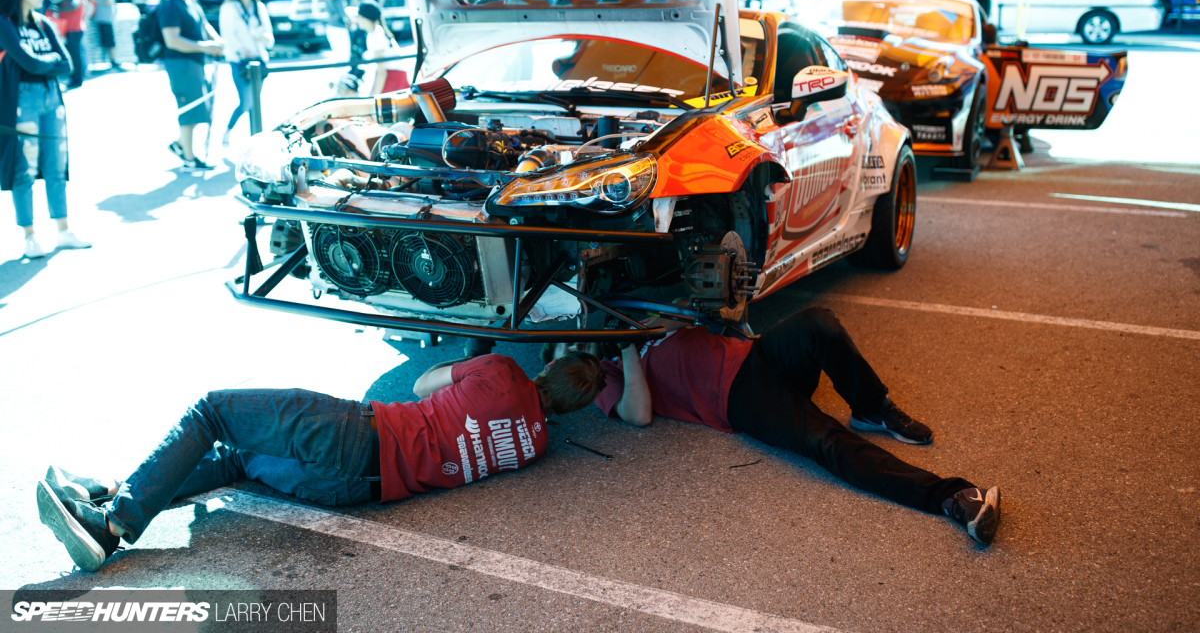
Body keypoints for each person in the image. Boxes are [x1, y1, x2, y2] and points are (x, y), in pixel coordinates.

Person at [35, 350, 606, 572]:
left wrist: (465, 374)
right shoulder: (536, 444)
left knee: (213, 412)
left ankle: (113, 523)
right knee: (239, 458)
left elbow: (422, 381)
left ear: (550, 367)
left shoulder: (504, 371)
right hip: (358, 490)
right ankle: (111, 495)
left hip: (359, 438)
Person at [573, 307, 1002, 545]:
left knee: (818, 324)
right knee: (826, 440)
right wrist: (626, 347)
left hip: (757, 354)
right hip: (737, 398)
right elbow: (639, 414)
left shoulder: (653, 323)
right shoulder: (607, 375)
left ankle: (871, 408)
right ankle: (951, 498)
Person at [0, 0, 92, 258]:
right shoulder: (4, 23)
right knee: (23, 167)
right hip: (21, 101)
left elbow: (68, 65)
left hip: (52, 99)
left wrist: (46, 60)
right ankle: (29, 235)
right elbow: (29, 63)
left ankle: (63, 230)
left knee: (57, 164)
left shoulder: (43, 22)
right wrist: (48, 60)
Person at [158, 0, 223, 171]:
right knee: (189, 110)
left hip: (195, 62)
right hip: (180, 64)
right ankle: (188, 158)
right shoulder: (169, 5)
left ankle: (180, 146)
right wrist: (206, 47)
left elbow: (204, 25)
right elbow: (172, 40)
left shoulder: (191, 0)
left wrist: (216, 40)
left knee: (198, 109)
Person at [218, 0, 274, 149]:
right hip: (240, 61)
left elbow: (270, 38)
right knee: (246, 102)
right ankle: (228, 130)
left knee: (255, 104)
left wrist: (260, 37)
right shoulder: (229, 8)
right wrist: (243, 50)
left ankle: (255, 139)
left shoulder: (258, 8)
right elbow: (227, 35)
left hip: (259, 62)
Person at [355, 0, 408, 95]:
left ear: (366, 18)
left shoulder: (376, 36)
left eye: (359, 17)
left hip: (393, 77)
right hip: (394, 75)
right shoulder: (376, 32)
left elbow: (382, 72)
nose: (357, 20)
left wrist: (375, 95)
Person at [50, 0, 88, 89]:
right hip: (68, 29)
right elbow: (56, 1)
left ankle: (77, 80)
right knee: (72, 54)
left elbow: (73, 6)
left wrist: (58, 9)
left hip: (74, 29)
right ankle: (74, 78)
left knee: (75, 56)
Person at [88, 0, 121, 70]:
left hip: (106, 17)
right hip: (101, 17)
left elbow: (108, 1)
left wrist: (95, 0)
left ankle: (113, 60)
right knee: (104, 40)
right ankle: (107, 60)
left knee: (109, 40)